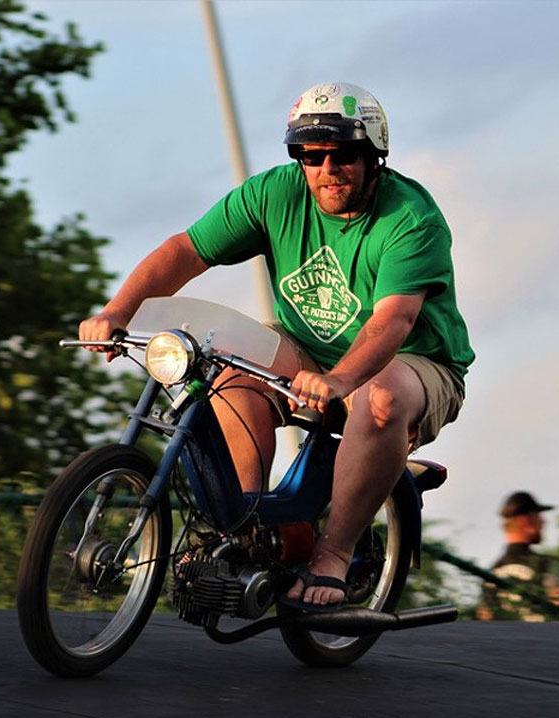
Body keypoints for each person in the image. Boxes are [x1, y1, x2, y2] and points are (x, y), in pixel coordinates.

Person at [79, 82, 474, 610]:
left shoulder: (410, 217)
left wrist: (340, 381)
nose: (328, 168)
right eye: (312, 155)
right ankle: (244, 534)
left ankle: (333, 555)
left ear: (374, 155)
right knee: (221, 368)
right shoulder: (272, 194)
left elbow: (393, 322)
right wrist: (116, 311)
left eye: (344, 154)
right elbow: (185, 251)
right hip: (307, 348)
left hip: (412, 362)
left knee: (381, 399)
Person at [476, 491, 559, 621]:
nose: (543, 521)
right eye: (538, 515)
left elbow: (484, 618)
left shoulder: (489, 575)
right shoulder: (547, 565)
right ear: (525, 521)